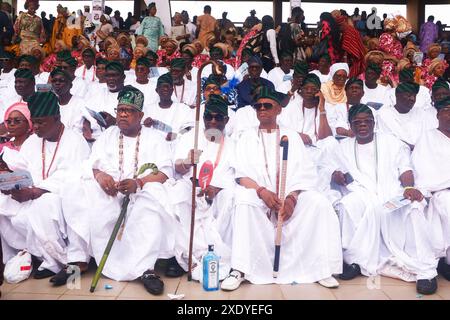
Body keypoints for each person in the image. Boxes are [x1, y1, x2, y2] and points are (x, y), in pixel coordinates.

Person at [221, 86, 342, 290]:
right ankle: (241, 268)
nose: (261, 109)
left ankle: (320, 268)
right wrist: (262, 192)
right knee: (243, 202)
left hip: (288, 196)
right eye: (257, 106)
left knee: (319, 203)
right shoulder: (246, 137)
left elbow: (304, 172)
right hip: (259, 196)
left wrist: (292, 198)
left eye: (267, 105)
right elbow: (241, 175)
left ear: (278, 109)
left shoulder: (291, 136)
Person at [59, 86, 176, 294]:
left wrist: (138, 183)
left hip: (141, 193)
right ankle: (78, 261)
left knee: (152, 201)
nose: (122, 114)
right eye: (119, 109)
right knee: (76, 190)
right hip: (110, 193)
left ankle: (146, 270)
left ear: (140, 115)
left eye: (128, 110)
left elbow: (164, 173)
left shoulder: (154, 138)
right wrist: (100, 176)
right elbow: (91, 164)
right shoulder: (108, 135)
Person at [333, 104, 439, 295]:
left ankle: (425, 270)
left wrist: (408, 188)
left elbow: (405, 168)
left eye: (367, 121)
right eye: (357, 122)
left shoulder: (391, 141)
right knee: (348, 205)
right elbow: (333, 169)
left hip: (392, 190)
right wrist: (336, 175)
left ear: (374, 123)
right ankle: (355, 260)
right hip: (362, 191)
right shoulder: (343, 146)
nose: (363, 125)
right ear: (350, 125)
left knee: (413, 208)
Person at [0, 91, 90, 280]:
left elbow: (72, 176)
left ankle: (70, 263)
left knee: (43, 205)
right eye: (35, 121)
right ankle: (43, 258)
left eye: (41, 122)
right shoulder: (33, 141)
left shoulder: (75, 141)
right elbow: (23, 168)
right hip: (31, 193)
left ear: (56, 118)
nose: (36, 127)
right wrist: (10, 181)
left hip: (61, 196)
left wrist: (36, 191)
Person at [172, 94, 234, 280]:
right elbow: (177, 167)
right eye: (209, 117)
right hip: (190, 187)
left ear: (226, 120)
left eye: (218, 117)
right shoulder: (191, 137)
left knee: (231, 197)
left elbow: (234, 174)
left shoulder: (232, 144)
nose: (213, 121)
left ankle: (219, 256)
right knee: (174, 197)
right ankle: (183, 257)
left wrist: (217, 188)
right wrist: (187, 162)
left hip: (216, 192)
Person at [411, 97, 450, 284]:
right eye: (447, 110)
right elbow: (422, 170)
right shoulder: (427, 137)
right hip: (439, 190)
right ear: (438, 114)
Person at [377, 82, 437, 150]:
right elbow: (388, 140)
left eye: (414, 96)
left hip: (421, 154)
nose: (412, 99)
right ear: (397, 95)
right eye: (408, 95)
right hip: (396, 154)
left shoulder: (421, 113)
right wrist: (412, 148)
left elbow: (429, 136)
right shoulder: (384, 114)